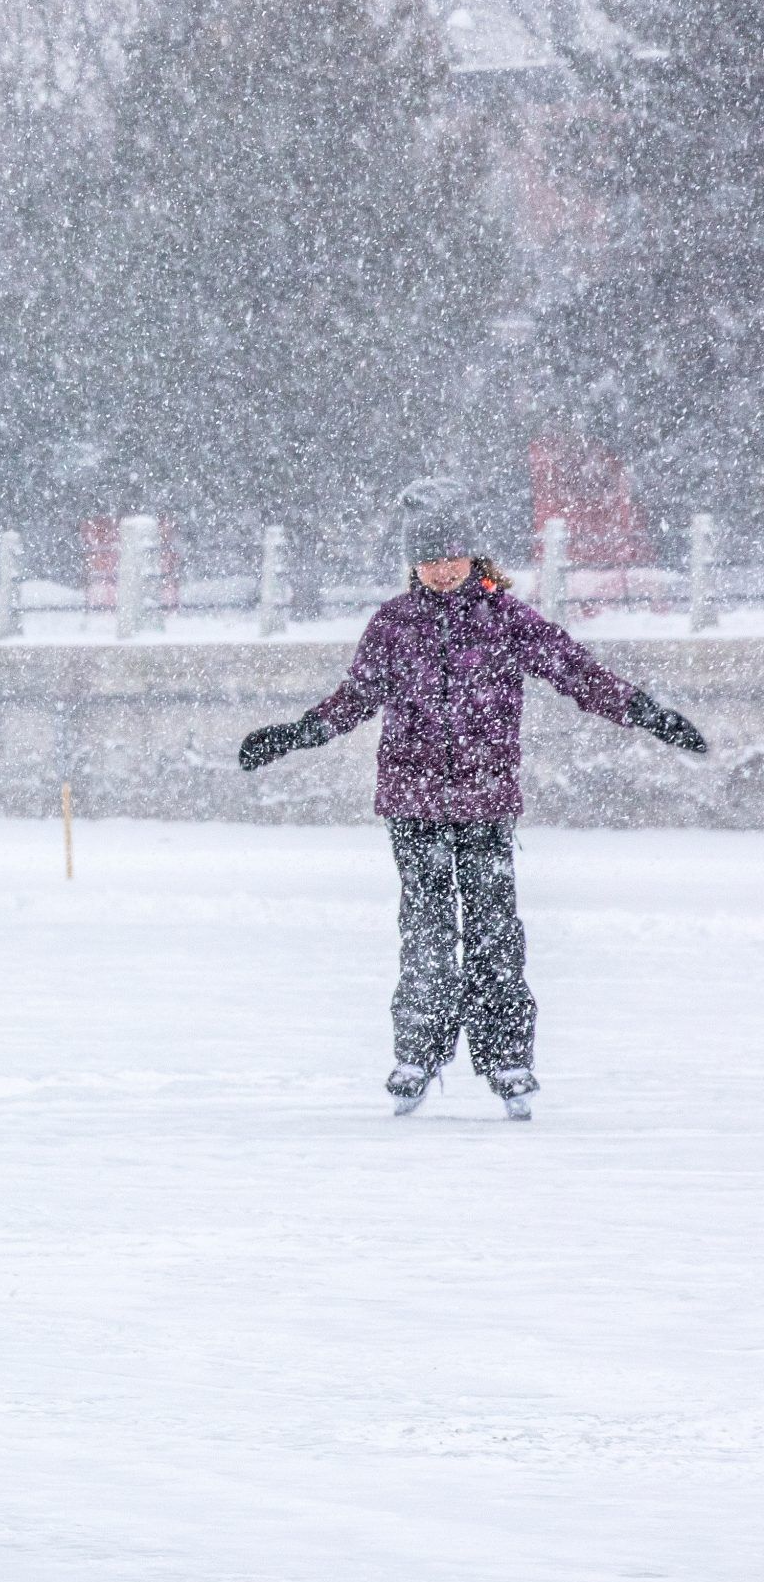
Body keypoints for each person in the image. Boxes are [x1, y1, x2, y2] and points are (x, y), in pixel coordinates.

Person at [239, 476, 708, 1120]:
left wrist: (644, 711)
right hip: (413, 804)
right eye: (427, 560)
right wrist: (297, 733)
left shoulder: (507, 620)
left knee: (494, 933)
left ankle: (507, 1058)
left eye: (451, 557)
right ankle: (418, 1053)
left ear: (474, 555)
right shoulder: (393, 624)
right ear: (413, 562)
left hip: (485, 803)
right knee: (427, 932)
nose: (440, 570)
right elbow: (355, 700)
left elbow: (575, 671)